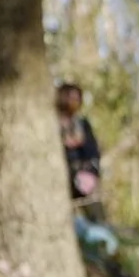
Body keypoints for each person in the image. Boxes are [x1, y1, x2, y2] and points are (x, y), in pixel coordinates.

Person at [55, 83, 101, 214]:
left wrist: (92, 171)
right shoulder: (52, 124)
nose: (75, 102)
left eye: (78, 98)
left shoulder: (82, 124)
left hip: (83, 175)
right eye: (71, 97)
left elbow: (93, 151)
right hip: (62, 175)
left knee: (95, 212)